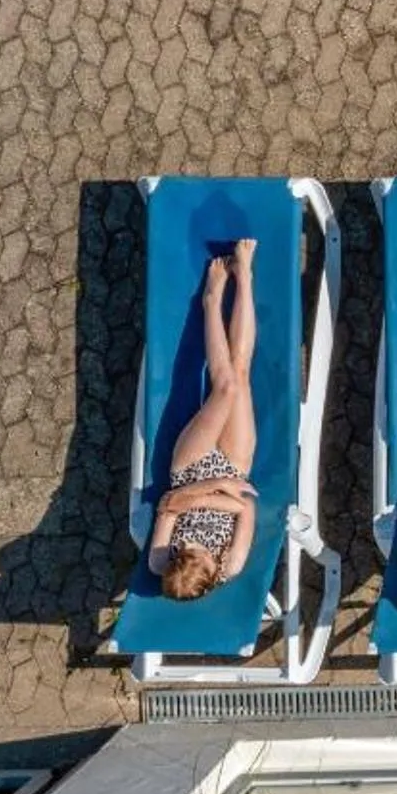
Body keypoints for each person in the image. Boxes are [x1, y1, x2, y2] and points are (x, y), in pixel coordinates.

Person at [148, 238, 262, 601]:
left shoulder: (158, 560)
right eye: (205, 559)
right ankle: (244, 276)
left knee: (225, 387)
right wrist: (224, 492)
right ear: (213, 574)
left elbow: (169, 501)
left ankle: (211, 303)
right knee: (240, 374)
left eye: (188, 554)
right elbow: (247, 510)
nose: (198, 551)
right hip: (233, 469)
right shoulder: (232, 565)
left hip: (191, 467)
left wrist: (209, 493)